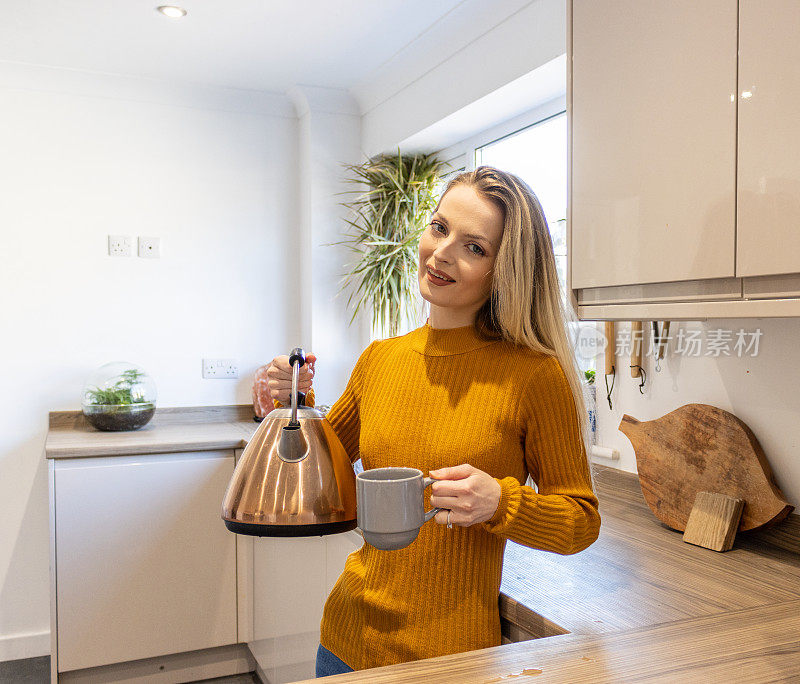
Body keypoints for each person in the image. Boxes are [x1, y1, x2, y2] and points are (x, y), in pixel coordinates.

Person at [263, 166, 601, 677]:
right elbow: (310, 483)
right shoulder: (380, 359)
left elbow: (581, 519)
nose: (442, 253)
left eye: (475, 247)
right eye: (439, 228)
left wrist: (499, 501)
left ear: (504, 270)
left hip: (450, 661)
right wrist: (288, 410)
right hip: (346, 639)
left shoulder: (534, 375)